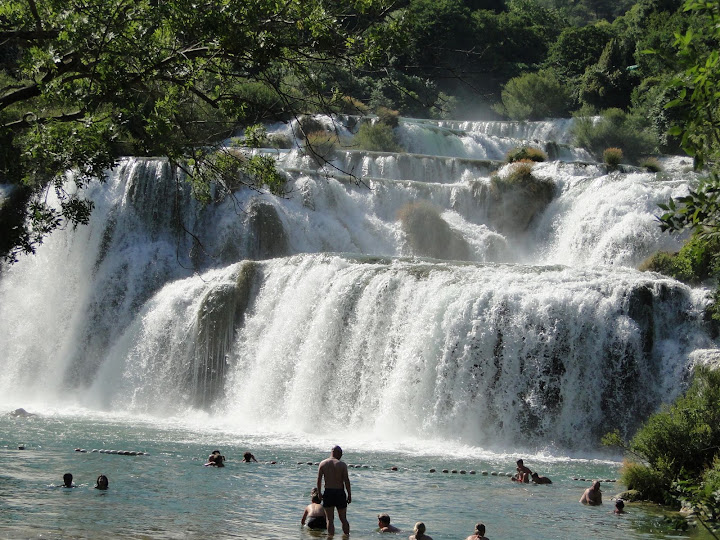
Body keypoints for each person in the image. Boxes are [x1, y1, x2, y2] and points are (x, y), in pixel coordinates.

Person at [317, 445, 351, 535]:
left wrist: (319, 493)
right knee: (343, 518)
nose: (341, 456)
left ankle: (330, 537)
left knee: (329, 519)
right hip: (340, 492)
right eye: (341, 454)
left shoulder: (323, 463)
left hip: (328, 492)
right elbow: (346, 481)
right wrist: (349, 495)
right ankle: (346, 537)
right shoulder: (342, 465)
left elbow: (319, 480)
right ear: (337, 453)